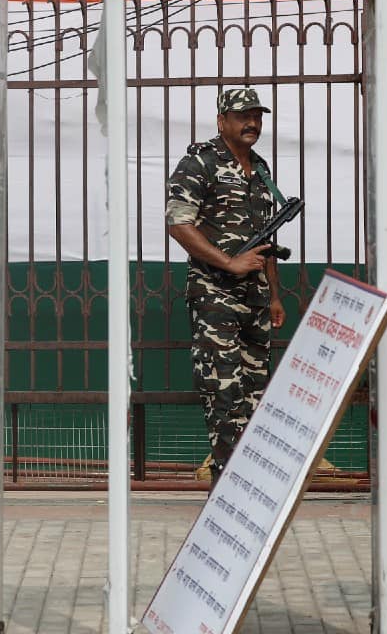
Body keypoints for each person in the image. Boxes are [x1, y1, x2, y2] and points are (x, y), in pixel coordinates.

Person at [165, 87, 286, 482]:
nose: (252, 123)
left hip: (256, 298)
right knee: (223, 390)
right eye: (242, 116)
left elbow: (265, 237)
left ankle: (249, 477)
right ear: (222, 121)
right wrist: (230, 263)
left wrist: (274, 296)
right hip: (215, 295)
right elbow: (179, 223)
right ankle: (225, 478)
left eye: (257, 116)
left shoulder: (261, 168)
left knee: (255, 390)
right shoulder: (199, 162)